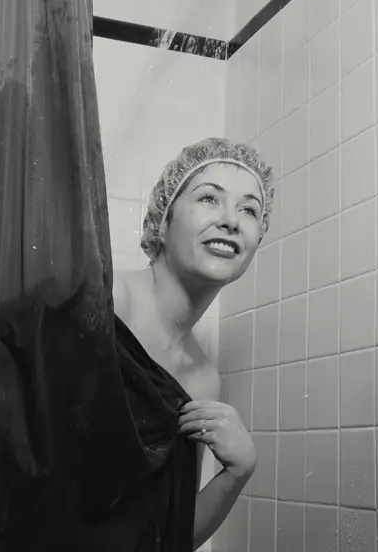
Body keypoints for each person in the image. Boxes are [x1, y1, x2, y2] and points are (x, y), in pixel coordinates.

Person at [113, 136, 275, 550]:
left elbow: (170, 535)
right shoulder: (104, 301)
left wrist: (238, 473)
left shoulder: (201, 380)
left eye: (249, 210)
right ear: (162, 221)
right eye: (209, 198)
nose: (231, 221)